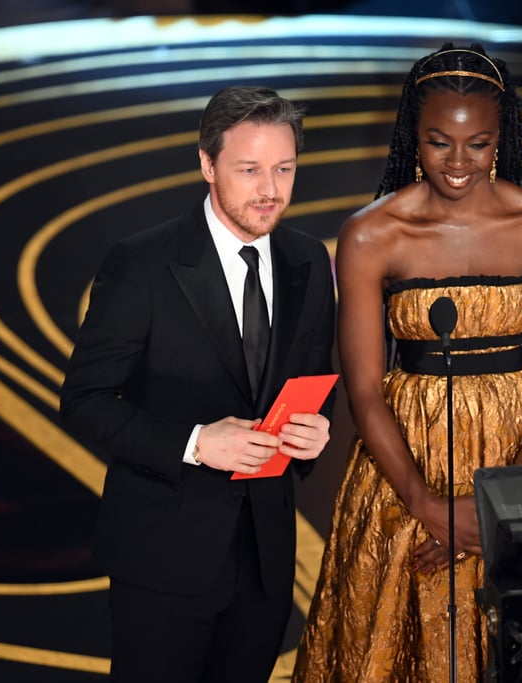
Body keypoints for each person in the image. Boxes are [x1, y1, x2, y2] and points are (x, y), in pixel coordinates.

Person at [292, 44, 522, 681]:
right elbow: (365, 392)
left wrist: (498, 517)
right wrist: (427, 503)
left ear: (501, 139)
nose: (458, 163)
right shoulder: (370, 236)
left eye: (478, 144)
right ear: (414, 135)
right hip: (407, 471)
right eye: (439, 142)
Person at [60, 85, 336, 682]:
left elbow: (313, 383)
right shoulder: (140, 264)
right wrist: (194, 443)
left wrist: (315, 434)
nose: (271, 189)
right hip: (163, 555)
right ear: (207, 165)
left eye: (284, 168)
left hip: (266, 559)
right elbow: (84, 402)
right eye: (250, 169)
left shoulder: (310, 261)